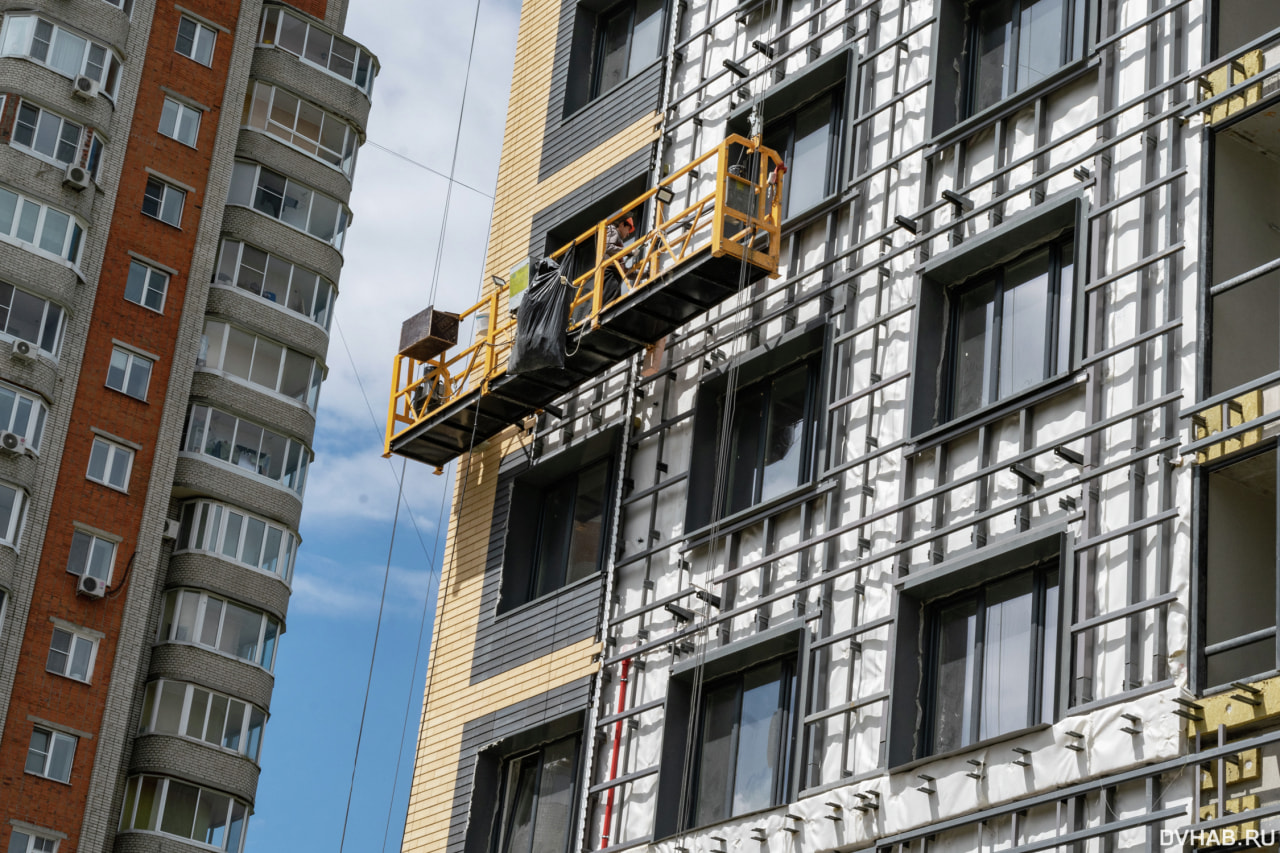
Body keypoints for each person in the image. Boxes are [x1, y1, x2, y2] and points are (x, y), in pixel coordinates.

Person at [601, 215, 636, 306]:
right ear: (621, 225)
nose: (628, 234)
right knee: (608, 303)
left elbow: (625, 272)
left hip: (615, 275)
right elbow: (607, 247)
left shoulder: (619, 246)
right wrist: (630, 251)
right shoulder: (613, 230)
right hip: (610, 273)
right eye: (628, 229)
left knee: (612, 304)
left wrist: (645, 274)